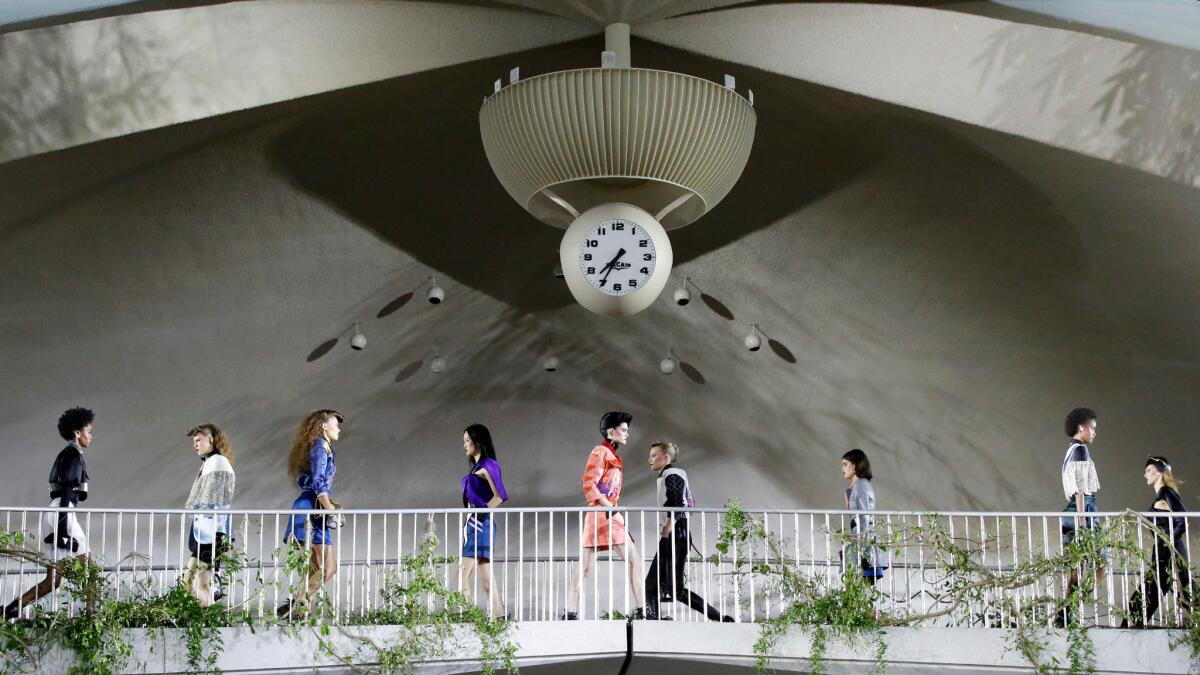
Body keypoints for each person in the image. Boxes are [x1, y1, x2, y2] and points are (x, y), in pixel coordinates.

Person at [4, 407, 96, 620]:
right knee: (91, 572)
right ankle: (91, 617)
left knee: (53, 581)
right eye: (88, 431)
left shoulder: (68, 455)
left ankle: (9, 610)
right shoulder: (72, 455)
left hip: (56, 513)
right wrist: (64, 531)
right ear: (77, 433)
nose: (91, 436)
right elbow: (66, 492)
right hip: (63, 513)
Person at [565, 411, 646, 620]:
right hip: (604, 514)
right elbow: (588, 483)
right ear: (611, 431)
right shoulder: (600, 451)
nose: (627, 434)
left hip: (606, 513)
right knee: (589, 568)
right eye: (624, 430)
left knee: (626, 561)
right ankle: (643, 611)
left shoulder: (609, 453)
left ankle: (643, 610)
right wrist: (609, 506)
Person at [644, 442, 732, 622]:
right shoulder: (671, 475)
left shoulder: (672, 474)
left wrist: (667, 528)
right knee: (655, 585)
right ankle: (653, 621)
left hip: (676, 533)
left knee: (670, 588)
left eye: (654, 455)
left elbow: (678, 503)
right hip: (676, 534)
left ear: (666, 457)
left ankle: (720, 618)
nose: (649, 459)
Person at [277, 409, 344, 618]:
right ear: (324, 426)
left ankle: (298, 609)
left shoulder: (319, 447)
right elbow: (318, 483)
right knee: (326, 568)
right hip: (311, 510)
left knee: (318, 567)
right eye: (335, 424)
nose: (339, 429)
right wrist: (329, 507)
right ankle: (296, 605)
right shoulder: (320, 447)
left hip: (311, 508)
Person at [1123, 455, 1193, 628]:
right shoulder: (1162, 495)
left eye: (1149, 471)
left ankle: (1130, 625)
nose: (1145, 475)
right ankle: (1131, 623)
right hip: (1165, 550)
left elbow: (1182, 521)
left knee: (1169, 588)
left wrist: (1168, 542)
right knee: (1169, 587)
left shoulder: (1166, 493)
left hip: (1169, 550)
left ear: (1160, 472)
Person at [1057, 407, 1105, 627]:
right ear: (1081, 427)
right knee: (1097, 561)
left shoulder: (1071, 449)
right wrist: (1082, 517)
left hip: (1076, 510)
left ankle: (1066, 613)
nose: (1094, 433)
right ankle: (1068, 611)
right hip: (1082, 508)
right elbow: (1080, 488)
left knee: (1078, 565)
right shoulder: (1080, 450)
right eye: (1092, 428)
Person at [457, 424, 509, 618]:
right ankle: (500, 616)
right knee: (485, 579)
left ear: (478, 441)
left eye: (467, 441)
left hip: (480, 523)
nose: (465, 445)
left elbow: (500, 496)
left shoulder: (489, 465)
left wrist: (480, 514)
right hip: (475, 523)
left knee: (462, 573)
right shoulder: (479, 466)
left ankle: (468, 616)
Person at [182, 423, 236, 607]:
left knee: (201, 581)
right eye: (194, 441)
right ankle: (195, 618)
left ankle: (204, 620)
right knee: (188, 581)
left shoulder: (218, 462)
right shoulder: (210, 462)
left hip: (212, 532)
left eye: (198, 440)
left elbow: (213, 499)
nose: (195, 445)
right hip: (205, 530)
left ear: (212, 439)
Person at [841, 448, 888, 584]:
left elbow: (864, 517)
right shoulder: (857, 486)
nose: (842, 469)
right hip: (859, 538)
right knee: (854, 584)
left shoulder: (861, 484)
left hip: (863, 541)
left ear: (855, 465)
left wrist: (861, 546)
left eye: (845, 464)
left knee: (859, 584)